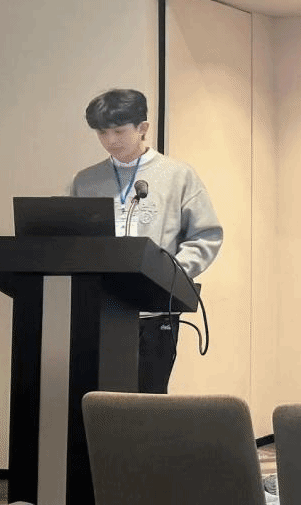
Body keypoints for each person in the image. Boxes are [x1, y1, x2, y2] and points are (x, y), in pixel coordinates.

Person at [71, 88, 223, 393]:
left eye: (118, 131)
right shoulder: (86, 180)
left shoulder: (178, 175)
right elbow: (74, 240)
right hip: (100, 311)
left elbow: (205, 235)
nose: (110, 140)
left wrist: (168, 273)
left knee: (147, 401)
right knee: (97, 400)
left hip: (156, 312)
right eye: (101, 132)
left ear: (143, 128)